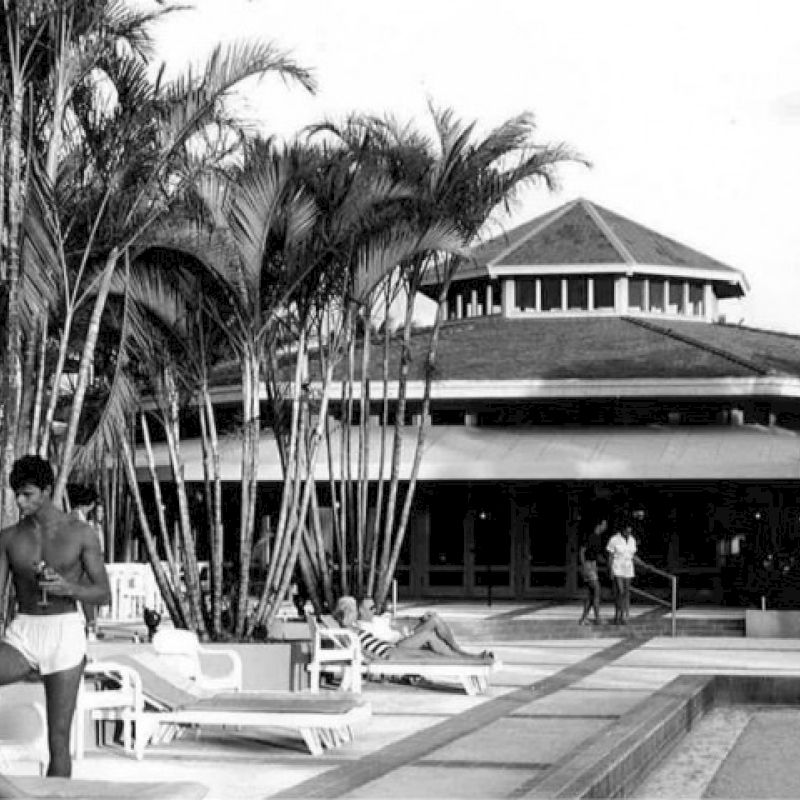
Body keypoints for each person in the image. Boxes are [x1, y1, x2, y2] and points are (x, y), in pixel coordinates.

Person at [0, 456, 111, 777]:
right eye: (17, 494)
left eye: (27, 494)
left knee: (58, 741)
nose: (20, 502)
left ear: (47, 490)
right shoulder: (8, 538)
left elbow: (103, 593)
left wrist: (68, 587)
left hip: (65, 632)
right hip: (23, 632)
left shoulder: (80, 533)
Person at [350, 596, 493, 663]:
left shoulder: (376, 619)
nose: (375, 610)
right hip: (396, 646)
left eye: (375, 607)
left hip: (404, 638)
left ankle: (463, 656)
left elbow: (399, 621)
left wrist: (420, 619)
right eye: (371, 608)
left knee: (433, 619)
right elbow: (376, 646)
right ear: (361, 611)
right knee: (428, 635)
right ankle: (464, 656)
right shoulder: (362, 627)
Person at [605, 508, 642, 625]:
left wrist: (641, 562)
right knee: (619, 591)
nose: (628, 532)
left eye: (630, 530)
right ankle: (618, 613)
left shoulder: (632, 540)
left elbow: (633, 555)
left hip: (628, 568)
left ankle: (624, 614)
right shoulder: (614, 539)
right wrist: (610, 570)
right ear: (623, 529)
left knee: (626, 592)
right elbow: (610, 556)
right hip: (617, 567)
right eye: (627, 530)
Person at [578, 513, 608, 626]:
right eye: (604, 524)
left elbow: (597, 555)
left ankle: (583, 618)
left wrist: (606, 562)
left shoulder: (598, 538)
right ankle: (597, 618)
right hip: (588, 565)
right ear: (599, 525)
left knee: (591, 595)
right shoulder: (590, 536)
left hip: (593, 565)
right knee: (597, 590)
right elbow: (582, 551)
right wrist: (584, 565)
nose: (605, 527)